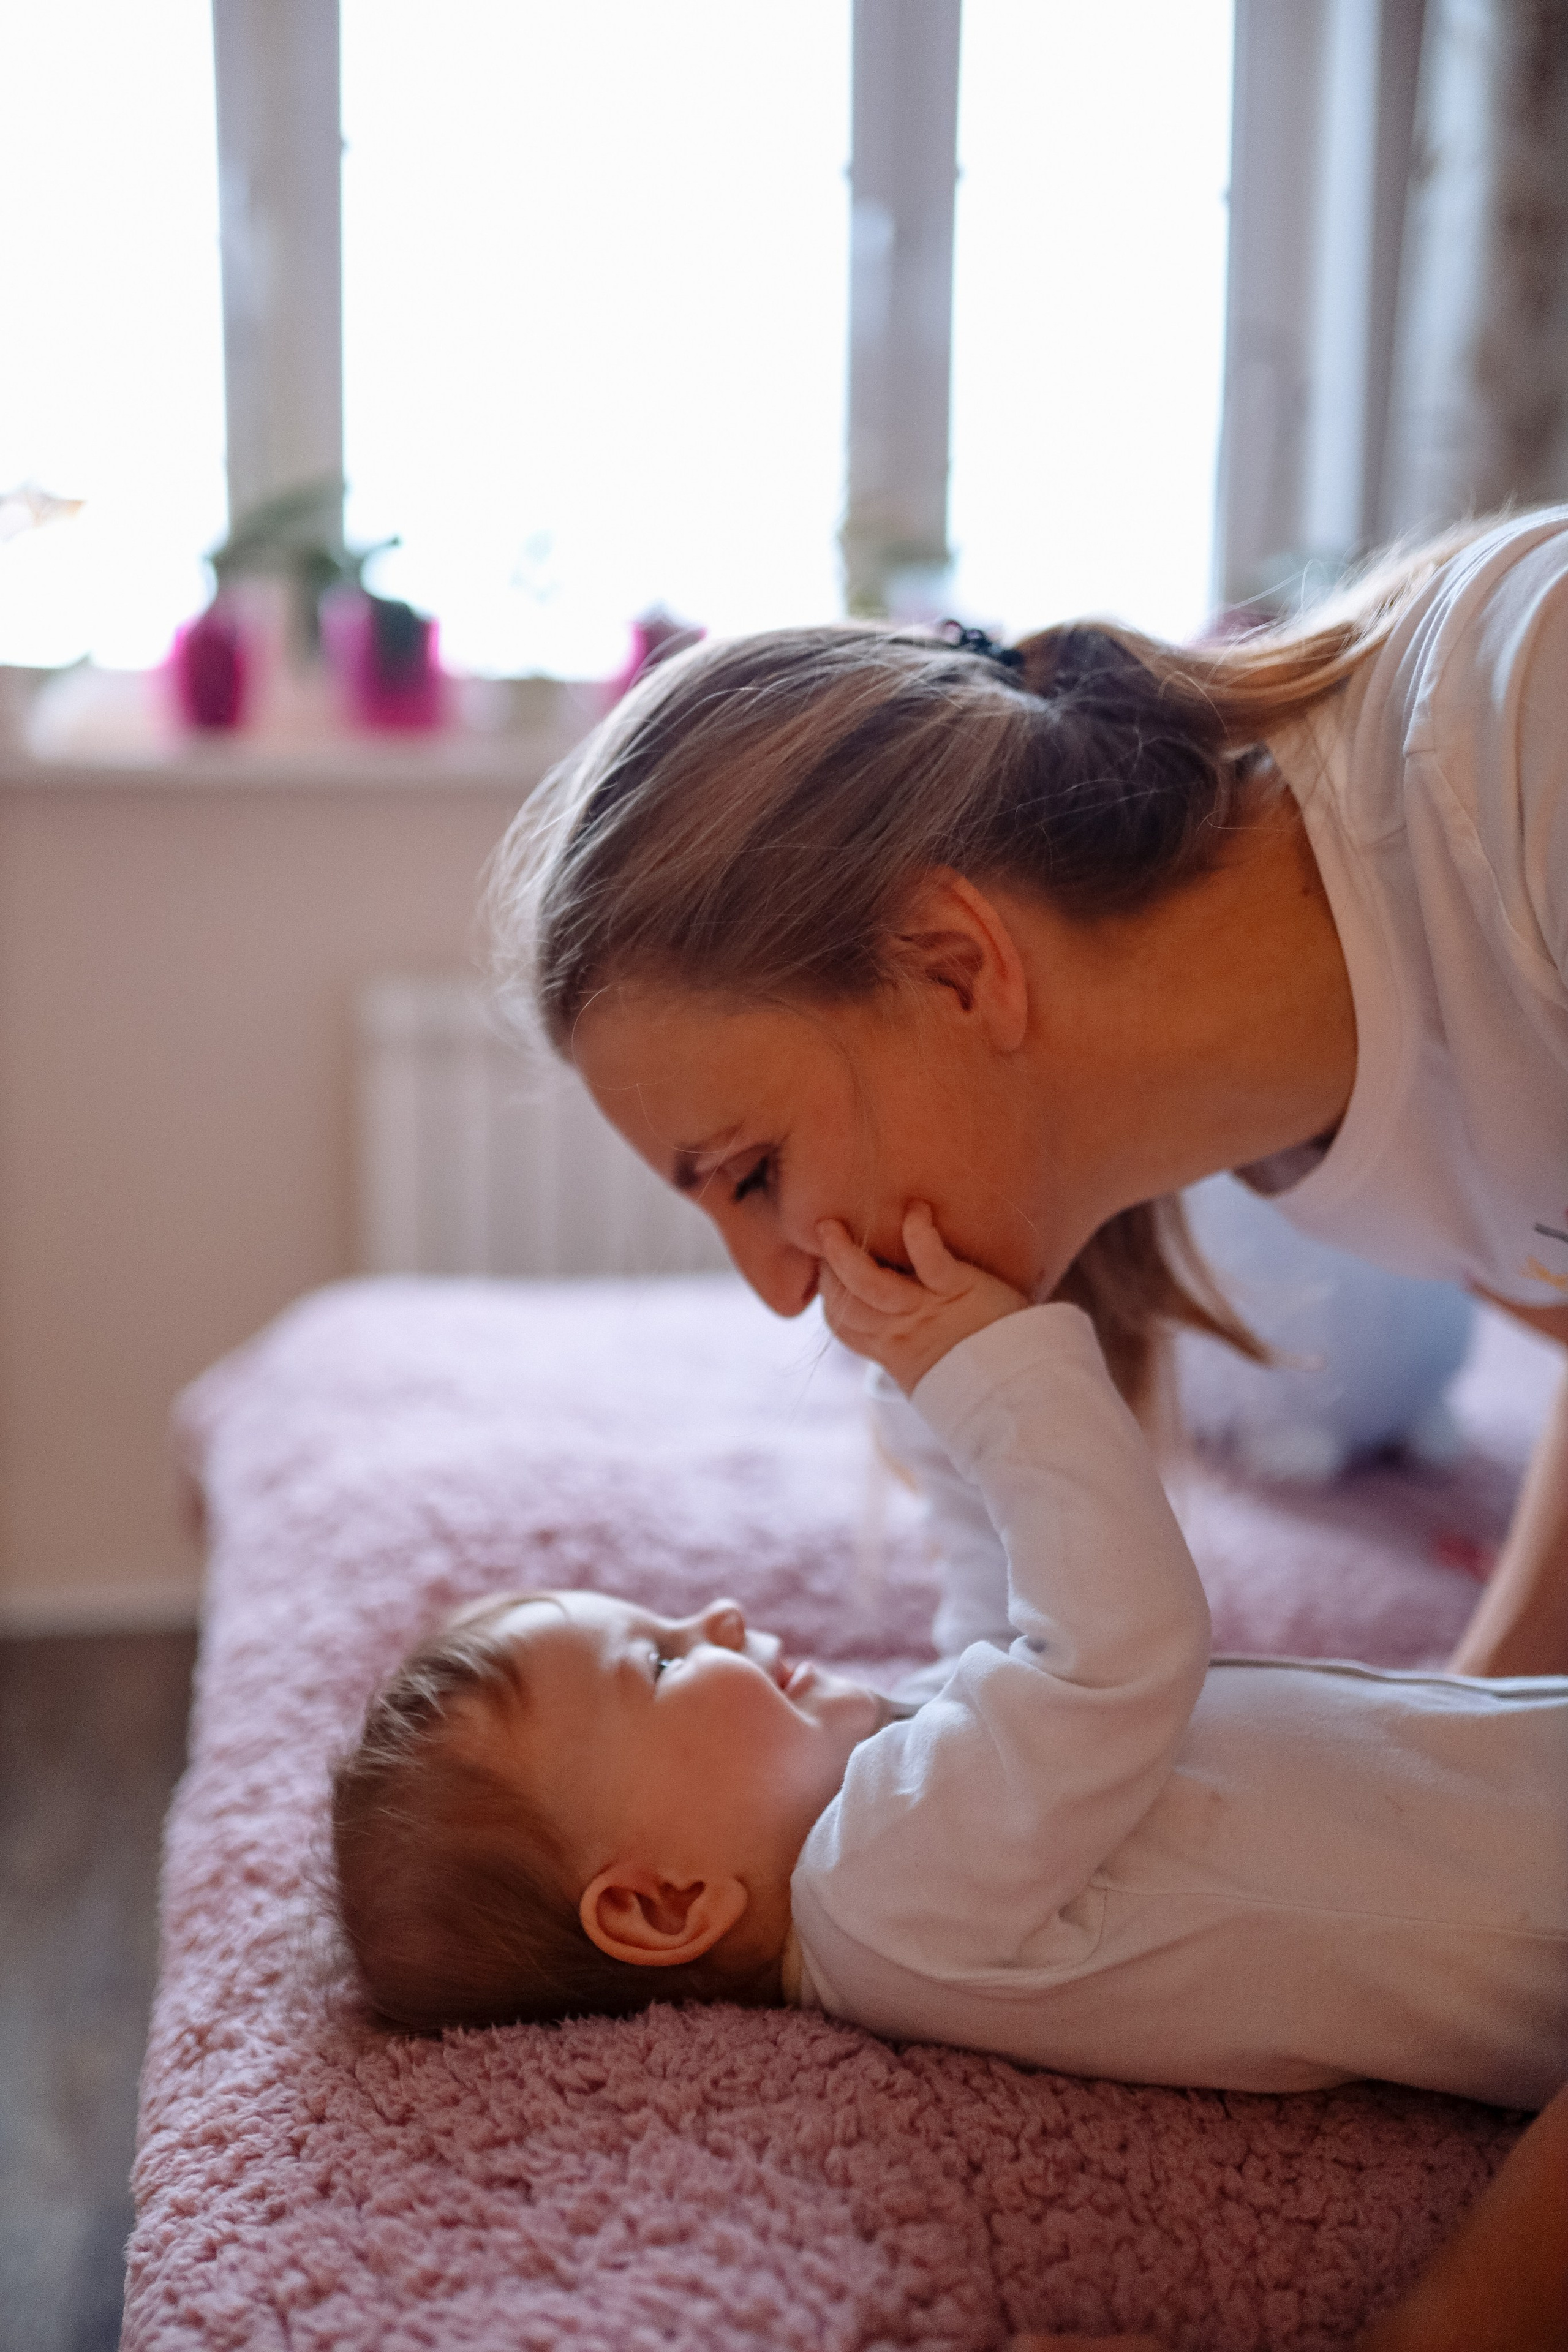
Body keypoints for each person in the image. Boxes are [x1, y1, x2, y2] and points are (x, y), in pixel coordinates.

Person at [489, 503, 1568, 1683]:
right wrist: (1462, 1749)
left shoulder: (1523, 736)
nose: (784, 1289)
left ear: (955, 964)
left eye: (756, 1174)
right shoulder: (1300, 1136)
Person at [329, 1206, 1567, 2113]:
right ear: (662, 1903)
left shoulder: (894, 1829)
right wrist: (994, 1373)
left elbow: (1007, 1629)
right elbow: (1112, 1650)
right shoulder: (882, 1898)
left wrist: (908, 1376)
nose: (709, 1612)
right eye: (653, 1665)